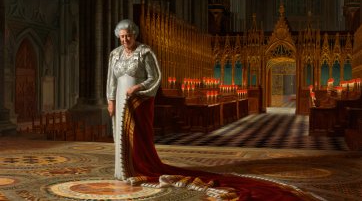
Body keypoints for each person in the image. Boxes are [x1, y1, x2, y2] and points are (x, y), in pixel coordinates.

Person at [106, 19, 316, 200]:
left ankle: (138, 167)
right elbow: (111, 80)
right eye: (122, 37)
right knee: (120, 134)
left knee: (138, 136)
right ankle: (122, 170)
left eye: (128, 36)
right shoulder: (115, 54)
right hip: (120, 98)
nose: (125, 40)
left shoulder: (145, 52)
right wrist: (110, 99)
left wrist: (139, 87)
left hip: (138, 101)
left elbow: (156, 77)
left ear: (134, 35)